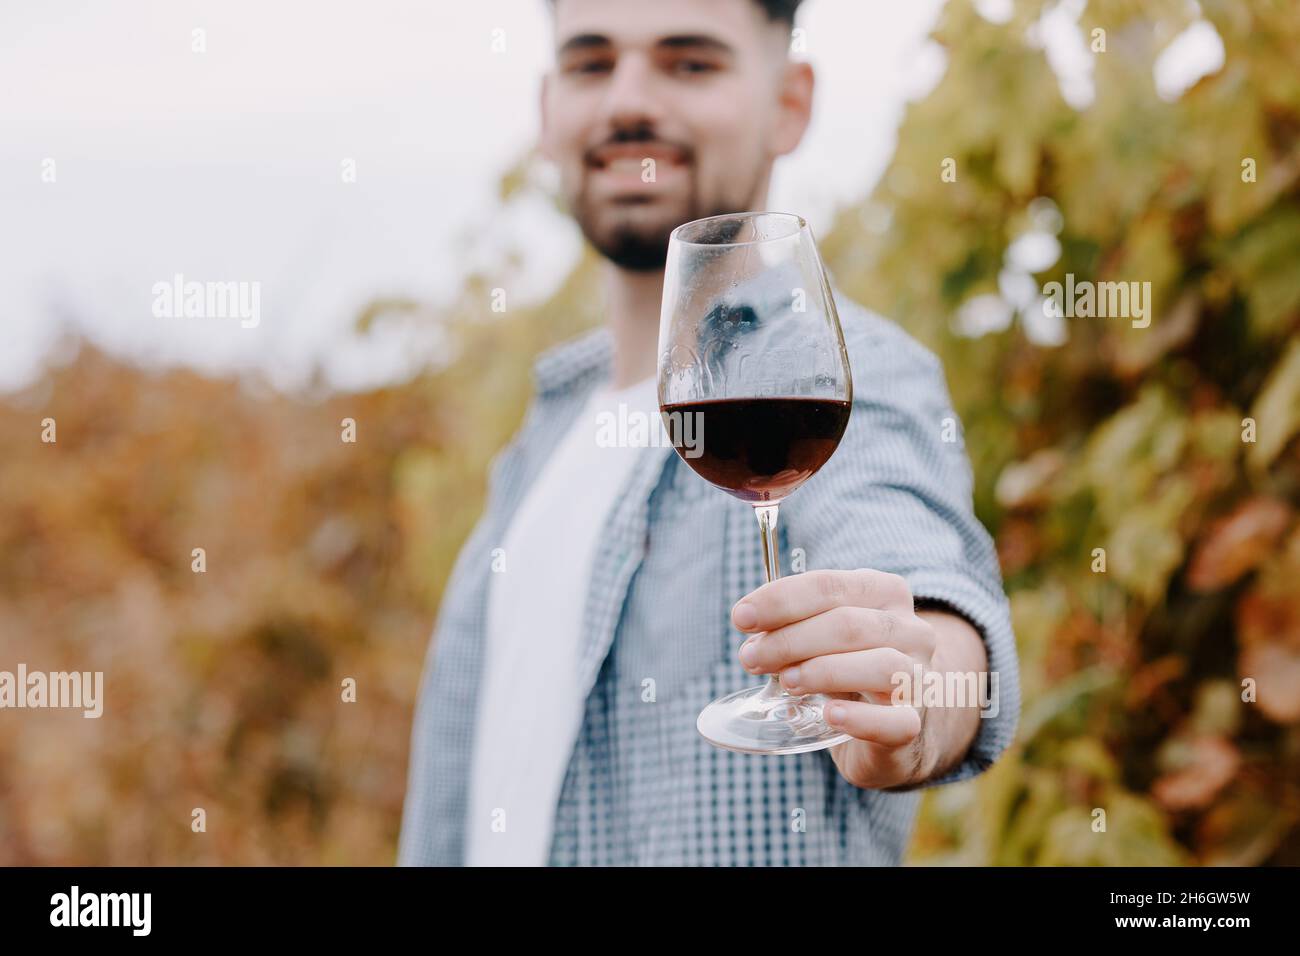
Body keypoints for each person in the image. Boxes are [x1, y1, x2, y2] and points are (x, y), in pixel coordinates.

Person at [398, 0, 1020, 866]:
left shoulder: (846, 373)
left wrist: (918, 693)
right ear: (548, 110)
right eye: (590, 62)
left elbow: (919, 582)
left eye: (690, 63)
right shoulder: (544, 433)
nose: (628, 101)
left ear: (790, 103)